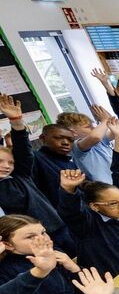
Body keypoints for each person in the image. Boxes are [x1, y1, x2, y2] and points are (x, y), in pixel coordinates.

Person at [0, 94, 72, 251]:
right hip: (31, 242)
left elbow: (24, 151)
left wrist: (16, 122)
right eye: (0, 162)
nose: (6, 166)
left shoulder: (21, 175)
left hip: (58, 228)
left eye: (10, 162)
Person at [0, 215, 81, 294]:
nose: (42, 238)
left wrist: (74, 268)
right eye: (30, 237)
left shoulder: (55, 254)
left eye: (43, 232)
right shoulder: (4, 270)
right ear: (8, 245)